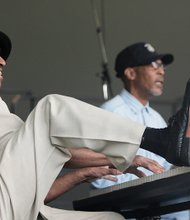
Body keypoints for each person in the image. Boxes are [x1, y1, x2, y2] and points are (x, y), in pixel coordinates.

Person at [0, 31, 190, 220]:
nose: (2, 63)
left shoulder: (5, 117)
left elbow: (40, 165)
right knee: (51, 109)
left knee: (112, 219)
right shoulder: (112, 110)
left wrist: (88, 171)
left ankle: (159, 140)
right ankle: (155, 139)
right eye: (152, 65)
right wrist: (120, 156)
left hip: (22, 208)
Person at [91, 42, 189, 219]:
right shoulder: (110, 113)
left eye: (162, 66)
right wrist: (147, 183)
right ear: (130, 73)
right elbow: (99, 177)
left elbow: (165, 168)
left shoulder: (156, 118)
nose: (162, 71)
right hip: (125, 208)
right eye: (154, 65)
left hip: (155, 203)